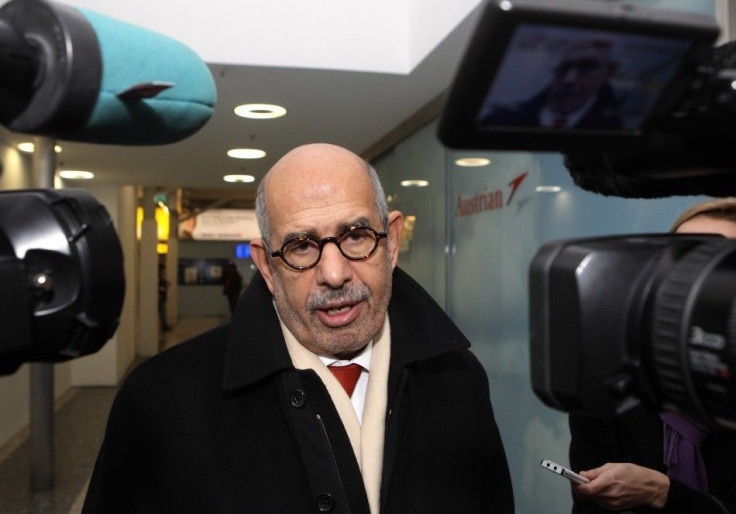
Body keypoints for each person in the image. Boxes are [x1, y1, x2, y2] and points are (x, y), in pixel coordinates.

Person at [82, 143, 514, 513]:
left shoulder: (459, 383)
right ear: (267, 266)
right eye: (301, 246)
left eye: (356, 235)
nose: (334, 273)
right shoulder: (161, 404)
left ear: (392, 241)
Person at [568, 197, 736, 514]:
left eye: (720, 267)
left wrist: (662, 494)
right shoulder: (615, 389)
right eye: (687, 262)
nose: (700, 284)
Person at [481, 39, 622, 130]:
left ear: (608, 73)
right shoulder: (501, 120)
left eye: (586, 67)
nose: (569, 79)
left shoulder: (618, 127)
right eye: (565, 67)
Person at [158, 263, 171, 331]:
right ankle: (164, 325)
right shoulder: (158, 277)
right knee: (162, 311)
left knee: (163, 311)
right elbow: (158, 286)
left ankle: (165, 324)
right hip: (160, 296)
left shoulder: (162, 277)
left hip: (163, 296)